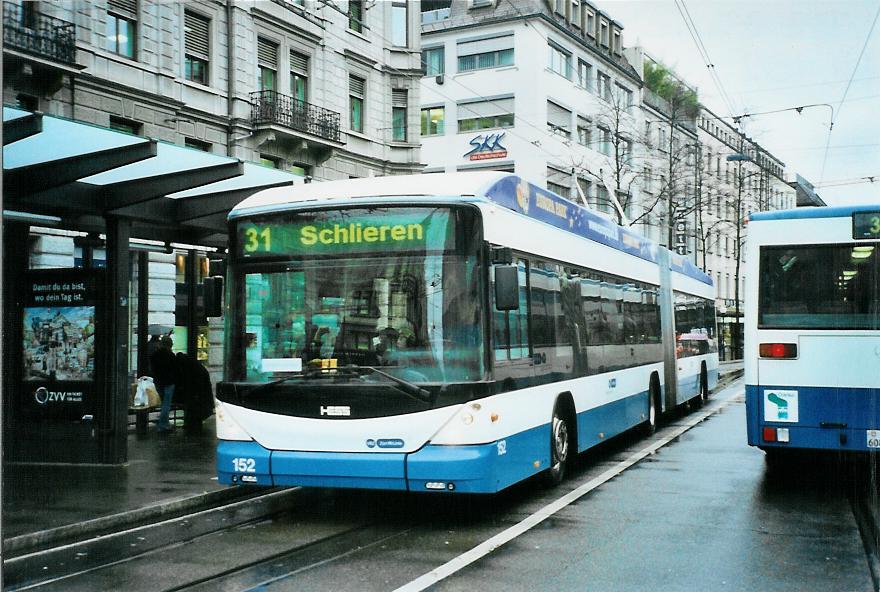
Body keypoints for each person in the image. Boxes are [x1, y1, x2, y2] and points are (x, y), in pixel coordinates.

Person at [150, 335, 178, 432]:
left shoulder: (155, 354)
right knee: (166, 403)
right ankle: (163, 425)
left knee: (163, 403)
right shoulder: (171, 355)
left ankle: (164, 422)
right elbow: (175, 369)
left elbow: (152, 367)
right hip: (169, 382)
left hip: (158, 382)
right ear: (170, 345)